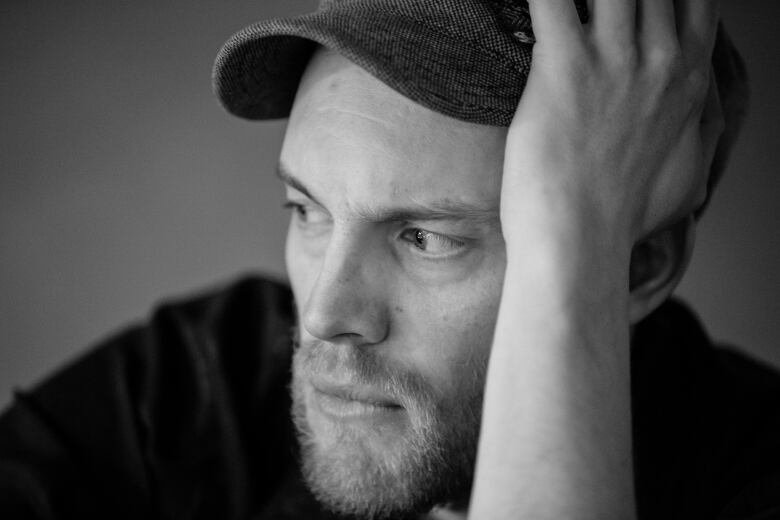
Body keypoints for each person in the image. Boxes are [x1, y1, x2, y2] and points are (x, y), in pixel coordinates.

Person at [1, 0, 778, 518]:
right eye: (307, 211)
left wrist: (577, 249)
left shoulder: (753, 470)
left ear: (636, 269)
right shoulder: (201, 385)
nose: (325, 316)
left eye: (425, 237)